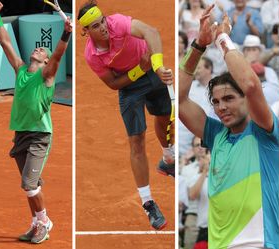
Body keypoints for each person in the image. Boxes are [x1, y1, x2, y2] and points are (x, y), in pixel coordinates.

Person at [178, 5, 279, 248]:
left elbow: (251, 85)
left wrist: (222, 38)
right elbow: (179, 100)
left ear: (245, 98)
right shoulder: (215, 134)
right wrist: (199, 46)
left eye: (229, 98)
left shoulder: (264, 130)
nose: (221, 107)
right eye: (216, 101)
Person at [78, 0, 175, 230]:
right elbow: (113, 83)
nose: (102, 27)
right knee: (137, 141)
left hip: (152, 72)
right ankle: (148, 202)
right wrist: (138, 69)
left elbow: (150, 32)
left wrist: (157, 65)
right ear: (86, 31)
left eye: (102, 21)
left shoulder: (118, 23)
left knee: (163, 117)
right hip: (129, 87)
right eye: (95, 25)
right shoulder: (92, 55)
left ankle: (168, 159)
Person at [0, 1, 70, 244]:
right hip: (21, 134)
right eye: (37, 48)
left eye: (42, 51)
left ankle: (44, 221)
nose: (39, 49)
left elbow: (57, 55)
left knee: (29, 184)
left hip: (39, 136)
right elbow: (5, 42)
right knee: (30, 184)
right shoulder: (20, 70)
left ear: (46, 62)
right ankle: (36, 222)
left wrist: (66, 33)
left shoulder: (46, 75)